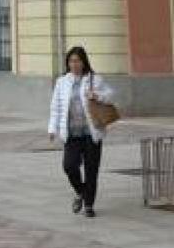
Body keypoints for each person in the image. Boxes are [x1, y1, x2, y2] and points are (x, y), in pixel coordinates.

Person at [48, 45, 114, 218]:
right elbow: (56, 107)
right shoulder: (62, 81)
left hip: (92, 133)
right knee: (69, 166)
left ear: (84, 62)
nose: (74, 64)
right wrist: (52, 128)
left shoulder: (95, 79)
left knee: (91, 170)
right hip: (71, 133)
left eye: (77, 60)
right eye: (71, 61)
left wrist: (97, 96)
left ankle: (89, 205)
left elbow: (111, 95)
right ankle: (81, 192)